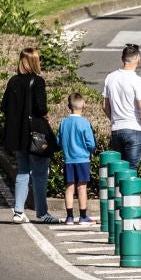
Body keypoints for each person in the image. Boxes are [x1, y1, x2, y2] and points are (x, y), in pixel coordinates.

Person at [1, 46, 58, 224]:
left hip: (18, 135)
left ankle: (18, 211)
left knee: (23, 171)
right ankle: (42, 213)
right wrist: (44, 114)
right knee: (40, 175)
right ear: (35, 61)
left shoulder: (13, 81)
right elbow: (41, 107)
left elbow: (4, 106)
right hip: (36, 134)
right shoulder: (38, 81)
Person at [102, 44, 141, 166]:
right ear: (138, 60)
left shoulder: (110, 77)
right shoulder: (138, 81)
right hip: (134, 129)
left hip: (116, 130)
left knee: (118, 170)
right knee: (131, 171)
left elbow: (104, 106)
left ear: (122, 59)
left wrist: (114, 120)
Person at [58, 91, 97, 224]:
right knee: (82, 187)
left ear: (69, 106)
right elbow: (91, 143)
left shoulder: (64, 123)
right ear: (83, 105)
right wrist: (90, 150)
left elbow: (59, 141)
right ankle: (83, 216)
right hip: (82, 159)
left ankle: (69, 216)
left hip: (68, 159)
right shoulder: (85, 123)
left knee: (69, 187)